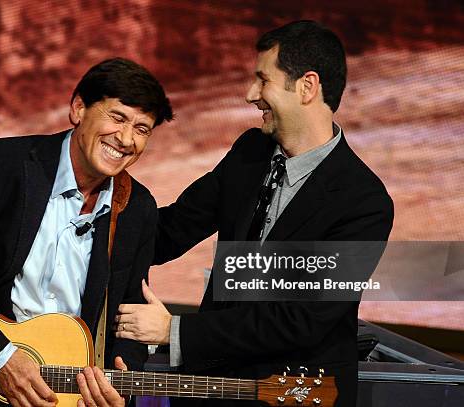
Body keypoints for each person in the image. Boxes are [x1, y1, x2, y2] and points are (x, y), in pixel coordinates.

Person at [113, 21, 394, 406]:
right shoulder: (250, 152)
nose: (250, 95)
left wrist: (174, 331)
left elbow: (301, 321)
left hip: (293, 394)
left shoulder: (364, 202)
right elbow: (170, 230)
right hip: (213, 388)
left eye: (263, 80)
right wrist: (89, 222)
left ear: (307, 87)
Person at [0, 57, 173, 407]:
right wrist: (0, 358)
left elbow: (125, 317)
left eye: (142, 129)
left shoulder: (137, 208)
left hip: (60, 392)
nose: (127, 139)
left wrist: (120, 376)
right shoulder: (3, 166)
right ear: (78, 108)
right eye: (117, 118)